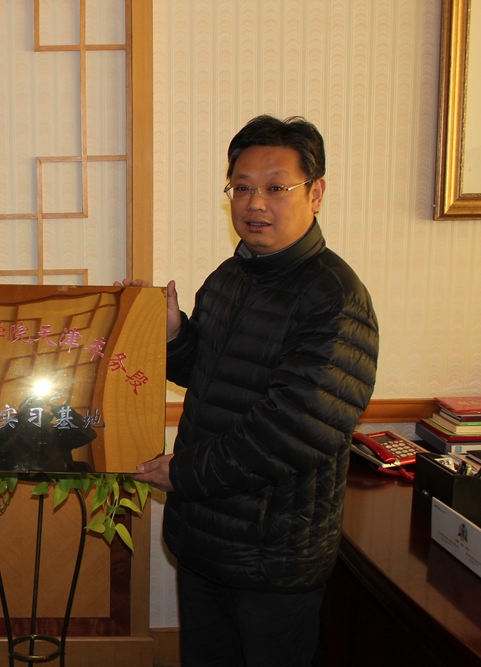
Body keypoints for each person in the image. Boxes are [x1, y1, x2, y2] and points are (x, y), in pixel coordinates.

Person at [133, 115, 379, 666]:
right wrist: (174, 335)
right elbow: (212, 376)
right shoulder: (230, 277)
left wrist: (182, 472)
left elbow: (291, 432)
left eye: (276, 187)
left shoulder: (335, 300)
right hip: (205, 540)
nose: (255, 203)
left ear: (316, 193)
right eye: (241, 187)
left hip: (274, 555)